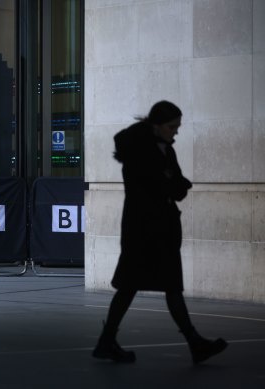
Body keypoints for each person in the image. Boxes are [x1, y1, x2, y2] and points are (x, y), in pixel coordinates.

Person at [92, 101, 227, 364]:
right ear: (157, 125)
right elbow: (164, 186)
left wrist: (170, 180)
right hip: (145, 230)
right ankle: (193, 343)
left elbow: (174, 187)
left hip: (156, 229)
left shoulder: (162, 151)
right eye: (171, 127)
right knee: (150, 286)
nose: (175, 132)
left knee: (150, 286)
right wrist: (170, 180)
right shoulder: (140, 152)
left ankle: (109, 341)